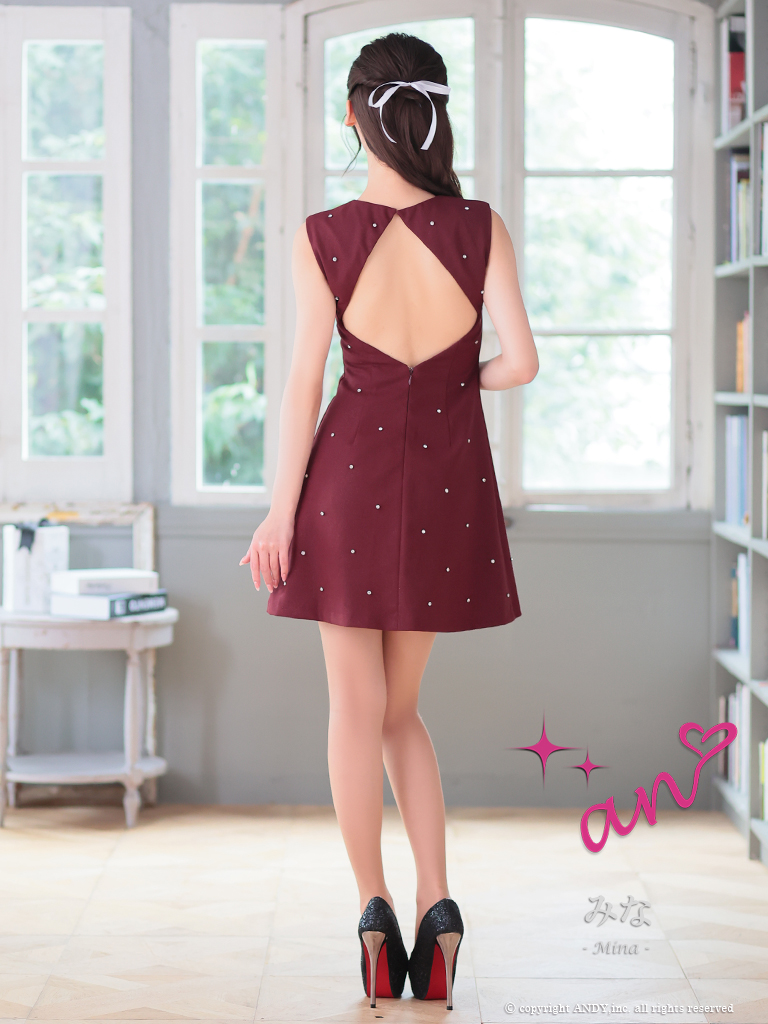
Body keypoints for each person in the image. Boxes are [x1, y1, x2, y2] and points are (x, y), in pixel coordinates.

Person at [240, 31, 538, 1012]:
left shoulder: (323, 235)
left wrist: (278, 515)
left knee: (353, 711)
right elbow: (522, 363)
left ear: (353, 116)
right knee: (401, 712)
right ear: (434, 114)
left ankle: (371, 912)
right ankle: (436, 904)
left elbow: (302, 385)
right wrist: (458, 383)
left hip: (344, 486)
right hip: (445, 490)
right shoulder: (480, 227)